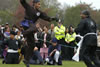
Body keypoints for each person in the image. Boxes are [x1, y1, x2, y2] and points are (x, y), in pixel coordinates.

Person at [19, 0, 57, 67]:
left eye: (40, 4)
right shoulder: (29, 7)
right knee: (35, 28)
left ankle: (26, 60)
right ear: (35, 4)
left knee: (32, 44)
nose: (40, 6)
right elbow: (22, 2)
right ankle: (24, 33)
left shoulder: (39, 13)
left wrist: (54, 18)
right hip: (26, 23)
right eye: (39, 4)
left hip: (30, 27)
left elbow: (47, 18)